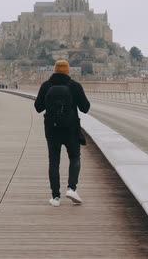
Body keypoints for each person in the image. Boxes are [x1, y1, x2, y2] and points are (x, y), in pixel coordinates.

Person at [34, 60, 90, 207]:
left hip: (52, 130)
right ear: (67, 71)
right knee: (74, 158)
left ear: (55, 70)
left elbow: (38, 107)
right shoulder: (75, 86)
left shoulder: (46, 86)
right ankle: (71, 188)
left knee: (54, 162)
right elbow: (85, 108)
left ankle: (55, 197)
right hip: (71, 129)